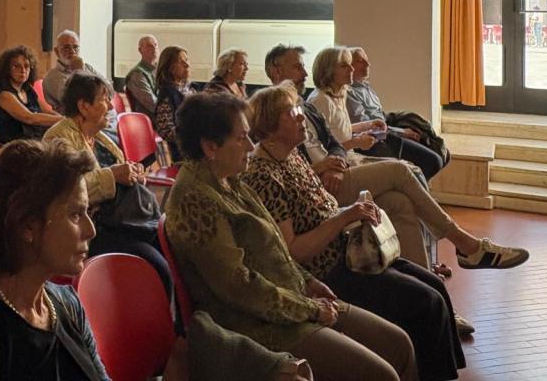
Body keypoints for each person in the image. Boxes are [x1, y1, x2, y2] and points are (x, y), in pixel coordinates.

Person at [165, 92, 417, 381]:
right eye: (241, 138)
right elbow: (239, 288)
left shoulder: (229, 179)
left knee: (399, 344)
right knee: (381, 375)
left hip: (292, 299)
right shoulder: (195, 200)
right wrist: (309, 309)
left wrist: (309, 282)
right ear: (210, 147)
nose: (250, 146)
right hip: (259, 325)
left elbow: (275, 249)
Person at [262, 44, 528, 275]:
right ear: (275, 71)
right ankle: (467, 245)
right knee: (401, 171)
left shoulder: (304, 107)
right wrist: (325, 166)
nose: (305, 73)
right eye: (297, 67)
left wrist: (338, 160)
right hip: (321, 188)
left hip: (337, 172)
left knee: (400, 202)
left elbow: (332, 143)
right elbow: (286, 165)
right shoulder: (274, 112)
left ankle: (430, 290)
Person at [0, 139, 110, 381]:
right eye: (76, 214)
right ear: (28, 226)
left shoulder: (66, 303)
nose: (91, 230)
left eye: (88, 213)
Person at [43, 72, 171, 295]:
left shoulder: (101, 138)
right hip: (90, 228)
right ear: (83, 106)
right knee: (157, 265)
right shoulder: (59, 139)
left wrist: (133, 172)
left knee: (169, 244)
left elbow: (118, 171)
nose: (111, 106)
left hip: (121, 220)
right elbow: (68, 192)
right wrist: (113, 175)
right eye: (103, 99)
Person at [346, 47, 445, 180]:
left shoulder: (365, 87)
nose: (368, 64)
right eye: (361, 61)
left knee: (438, 148)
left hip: (386, 128)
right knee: (433, 161)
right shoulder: (349, 93)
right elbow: (368, 126)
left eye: (367, 60)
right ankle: (411, 188)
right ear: (349, 66)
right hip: (378, 139)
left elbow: (380, 115)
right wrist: (401, 132)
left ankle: (416, 189)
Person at [307, 46, 387, 163]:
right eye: (344, 66)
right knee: (403, 170)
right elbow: (321, 150)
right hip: (339, 164)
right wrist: (357, 142)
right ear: (328, 71)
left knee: (409, 167)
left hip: (351, 157)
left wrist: (368, 125)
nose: (351, 69)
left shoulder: (339, 94)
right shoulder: (320, 101)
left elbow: (339, 130)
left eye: (350, 64)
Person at [0, 45, 62, 145]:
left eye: (26, 66)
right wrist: (64, 121)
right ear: (7, 70)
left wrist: (67, 122)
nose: (23, 70)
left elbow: (48, 112)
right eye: (16, 66)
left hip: (36, 138)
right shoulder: (3, 94)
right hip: (17, 145)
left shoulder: (28, 90)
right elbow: (29, 118)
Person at [154, 45, 192, 161]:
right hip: (184, 153)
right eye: (181, 62)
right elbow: (166, 131)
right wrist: (194, 135)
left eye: (187, 60)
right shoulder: (167, 96)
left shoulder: (190, 89)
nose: (187, 65)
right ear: (170, 67)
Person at [124, 34, 159, 115]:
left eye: (156, 45)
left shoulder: (159, 68)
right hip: (150, 118)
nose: (154, 48)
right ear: (140, 50)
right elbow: (151, 103)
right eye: (149, 46)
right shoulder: (137, 74)